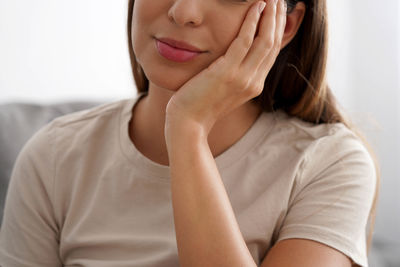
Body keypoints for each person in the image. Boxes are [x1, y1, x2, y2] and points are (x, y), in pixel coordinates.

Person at [0, 0, 379, 266]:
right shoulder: (52, 157)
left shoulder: (330, 165)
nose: (183, 11)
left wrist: (187, 130)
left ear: (286, 25)